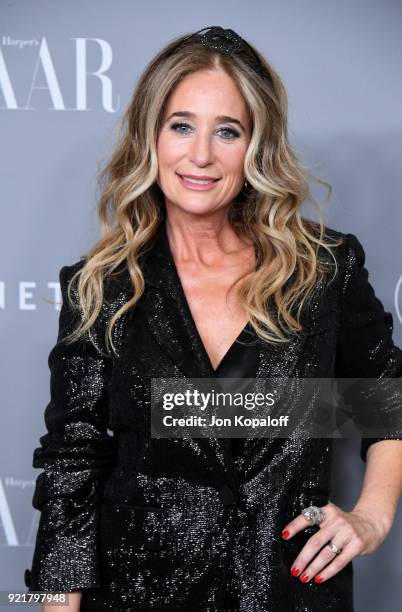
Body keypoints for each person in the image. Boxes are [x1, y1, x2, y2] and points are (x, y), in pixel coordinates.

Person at [24, 26, 402, 612]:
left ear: (256, 146)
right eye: (181, 126)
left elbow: (386, 397)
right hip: (136, 595)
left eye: (227, 131)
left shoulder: (323, 268)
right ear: (150, 135)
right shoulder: (100, 285)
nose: (200, 155)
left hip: (289, 591)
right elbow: (74, 460)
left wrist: (373, 516)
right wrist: (55, 604)